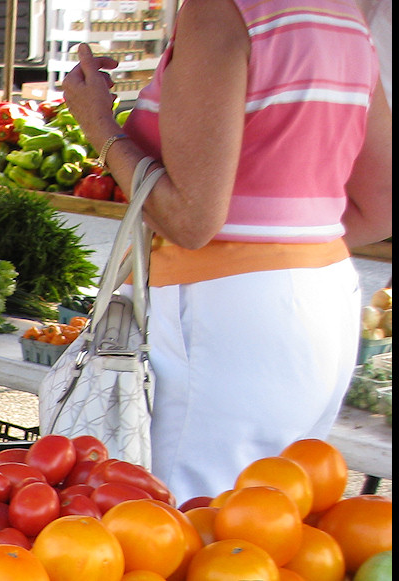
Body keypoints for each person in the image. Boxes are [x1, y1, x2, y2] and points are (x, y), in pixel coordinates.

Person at [61, 0, 392, 502]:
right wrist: (283, 246)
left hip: (224, 323)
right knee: (266, 528)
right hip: (324, 303)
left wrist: (100, 127)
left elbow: (192, 221)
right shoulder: (346, 15)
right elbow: (381, 204)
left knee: (183, 526)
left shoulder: (219, 10)